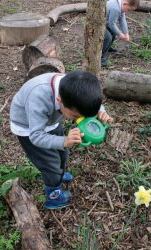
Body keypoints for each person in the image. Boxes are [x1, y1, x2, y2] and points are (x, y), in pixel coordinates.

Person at [10, 71, 113, 209]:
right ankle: (54, 197)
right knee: (50, 164)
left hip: (51, 121)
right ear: (59, 101)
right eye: (76, 116)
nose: (79, 120)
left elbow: (92, 101)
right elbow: (36, 136)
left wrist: (100, 111)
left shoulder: (74, 87)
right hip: (29, 128)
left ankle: (60, 173)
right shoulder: (39, 97)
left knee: (63, 154)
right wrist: (63, 141)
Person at [101, 0, 140, 67]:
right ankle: (101, 58)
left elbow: (122, 19)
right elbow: (111, 24)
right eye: (128, 9)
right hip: (99, 24)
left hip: (105, 22)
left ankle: (108, 47)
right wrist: (120, 34)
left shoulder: (121, 5)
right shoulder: (115, 8)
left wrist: (126, 33)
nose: (128, 11)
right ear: (125, 4)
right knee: (108, 37)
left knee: (113, 32)